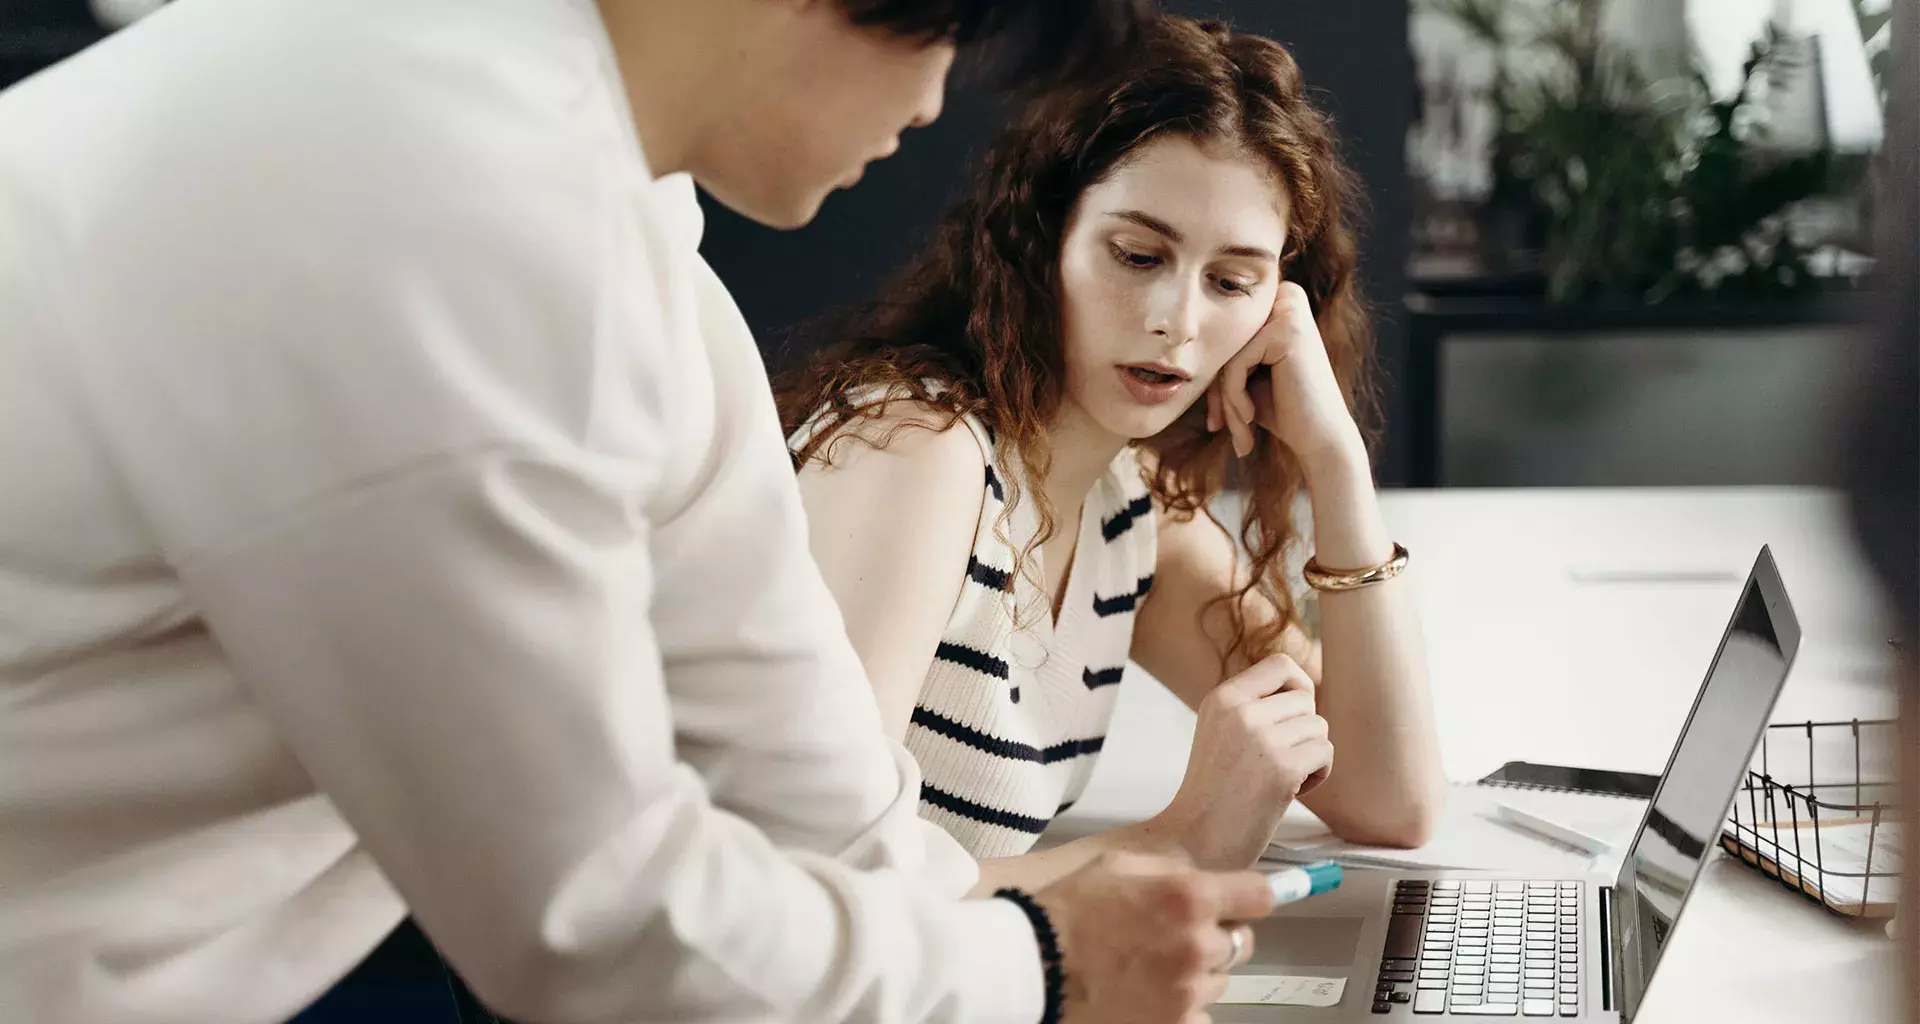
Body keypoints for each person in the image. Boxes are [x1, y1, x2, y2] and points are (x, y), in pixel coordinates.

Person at [0, 2, 1283, 1024]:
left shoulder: (628, 243)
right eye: (939, 31)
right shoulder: (427, 189)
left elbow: (821, 797)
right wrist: (1036, 972)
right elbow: (594, 924)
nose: (932, 99)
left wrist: (1054, 936)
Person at [778, 14, 1445, 891]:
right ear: (1040, 240)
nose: (1178, 318)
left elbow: (1387, 799)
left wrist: (1337, 462)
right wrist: (1179, 840)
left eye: (1232, 281)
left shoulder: (1127, 510)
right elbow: (825, 882)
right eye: (1137, 254)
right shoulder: (916, 451)